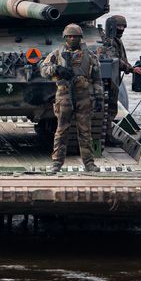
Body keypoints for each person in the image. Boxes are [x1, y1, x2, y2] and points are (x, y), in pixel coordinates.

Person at [40, 23, 104, 173]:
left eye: (75, 36)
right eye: (69, 36)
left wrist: (99, 98)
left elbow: (97, 79)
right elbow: (43, 70)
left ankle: (89, 163)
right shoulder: (57, 54)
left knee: (85, 132)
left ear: (80, 38)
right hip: (64, 96)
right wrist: (57, 69)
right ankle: (57, 163)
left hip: (83, 96)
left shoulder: (90, 56)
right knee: (61, 131)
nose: (72, 39)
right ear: (65, 38)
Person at [101, 15, 141, 123]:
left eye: (123, 26)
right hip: (109, 81)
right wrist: (131, 69)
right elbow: (114, 59)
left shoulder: (116, 40)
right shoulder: (110, 41)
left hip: (114, 80)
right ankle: (107, 136)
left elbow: (121, 59)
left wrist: (130, 67)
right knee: (110, 110)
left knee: (111, 110)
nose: (122, 29)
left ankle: (108, 135)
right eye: (119, 26)